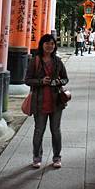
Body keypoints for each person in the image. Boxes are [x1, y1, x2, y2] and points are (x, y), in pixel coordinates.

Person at [24, 34, 69, 169]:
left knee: (56, 130)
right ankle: (37, 157)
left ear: (54, 46)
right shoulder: (35, 61)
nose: (50, 46)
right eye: (47, 43)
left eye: (52, 43)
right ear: (42, 45)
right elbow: (27, 80)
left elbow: (66, 78)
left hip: (56, 102)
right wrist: (40, 81)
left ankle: (57, 157)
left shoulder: (58, 61)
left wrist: (58, 81)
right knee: (39, 131)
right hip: (39, 102)